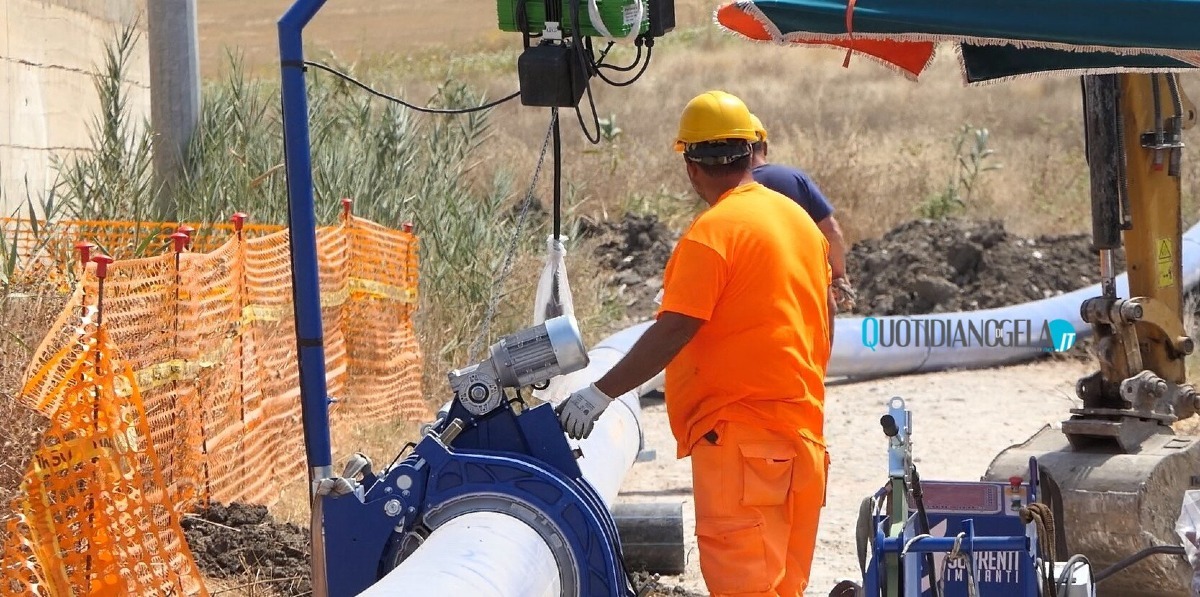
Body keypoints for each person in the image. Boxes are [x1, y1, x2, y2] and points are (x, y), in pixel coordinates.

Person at [557, 90, 835, 596]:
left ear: (691, 166)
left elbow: (676, 327)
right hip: (804, 441)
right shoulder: (799, 223)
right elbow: (827, 313)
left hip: (741, 447)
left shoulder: (713, 234)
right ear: (752, 151)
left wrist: (599, 393)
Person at [748, 113, 856, 312]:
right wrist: (839, 276)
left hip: (756, 295)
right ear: (765, 147)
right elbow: (831, 231)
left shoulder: (730, 191)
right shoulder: (795, 179)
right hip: (805, 287)